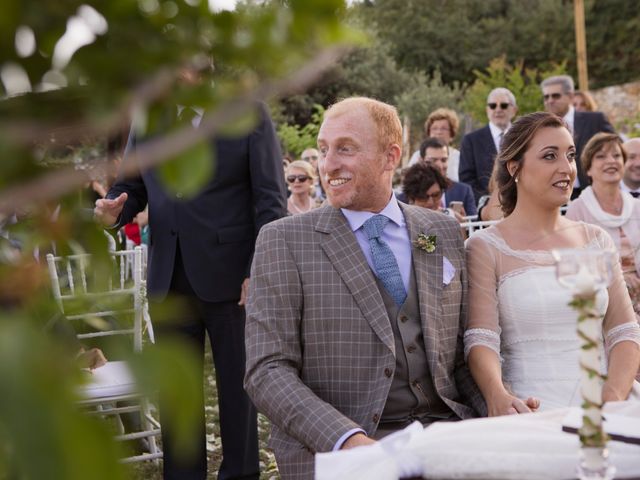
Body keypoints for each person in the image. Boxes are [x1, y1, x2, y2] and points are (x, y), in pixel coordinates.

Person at [244, 97, 485, 479]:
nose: (328, 164)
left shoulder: (440, 231)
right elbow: (267, 370)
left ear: (390, 157)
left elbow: (457, 355)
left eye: (345, 149)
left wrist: (495, 413)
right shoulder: (284, 240)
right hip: (343, 445)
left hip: (446, 434)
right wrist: (351, 442)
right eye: (324, 150)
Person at [94, 101, 287, 480]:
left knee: (238, 392)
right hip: (168, 279)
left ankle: (242, 474)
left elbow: (270, 199)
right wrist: (114, 211)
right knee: (177, 397)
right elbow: (130, 187)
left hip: (234, 280)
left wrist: (257, 268)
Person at [464, 112, 640, 415]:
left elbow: (623, 330)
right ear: (515, 168)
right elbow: (482, 338)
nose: (566, 168)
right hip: (532, 407)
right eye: (550, 156)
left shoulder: (595, 240)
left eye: (570, 156)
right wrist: (497, 395)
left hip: (609, 403)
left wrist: (612, 397)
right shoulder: (485, 247)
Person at [566, 133, 640, 311]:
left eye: (616, 155)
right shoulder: (577, 211)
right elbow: (573, 268)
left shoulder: (637, 206)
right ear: (588, 169)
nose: (611, 161)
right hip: (604, 303)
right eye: (601, 156)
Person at [541, 75, 615, 198]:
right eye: (546, 97)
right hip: (558, 193)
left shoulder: (595, 120)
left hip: (595, 191)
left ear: (570, 96)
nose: (550, 100)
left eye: (555, 96)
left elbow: (618, 149)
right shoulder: (541, 128)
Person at [459, 88, 518, 202]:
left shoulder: (523, 138)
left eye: (504, 105)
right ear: (487, 110)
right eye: (492, 106)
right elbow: (466, 179)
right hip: (485, 209)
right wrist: (487, 202)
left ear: (514, 110)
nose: (498, 109)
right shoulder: (471, 141)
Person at [419, 137, 477, 216]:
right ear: (421, 161)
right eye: (433, 160)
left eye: (444, 160)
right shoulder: (409, 192)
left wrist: (464, 224)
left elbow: (474, 225)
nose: (439, 165)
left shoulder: (464, 191)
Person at [409, 108, 461, 182]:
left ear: (452, 134)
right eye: (434, 128)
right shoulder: (418, 155)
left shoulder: (458, 157)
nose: (439, 132)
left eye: (444, 128)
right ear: (429, 133)